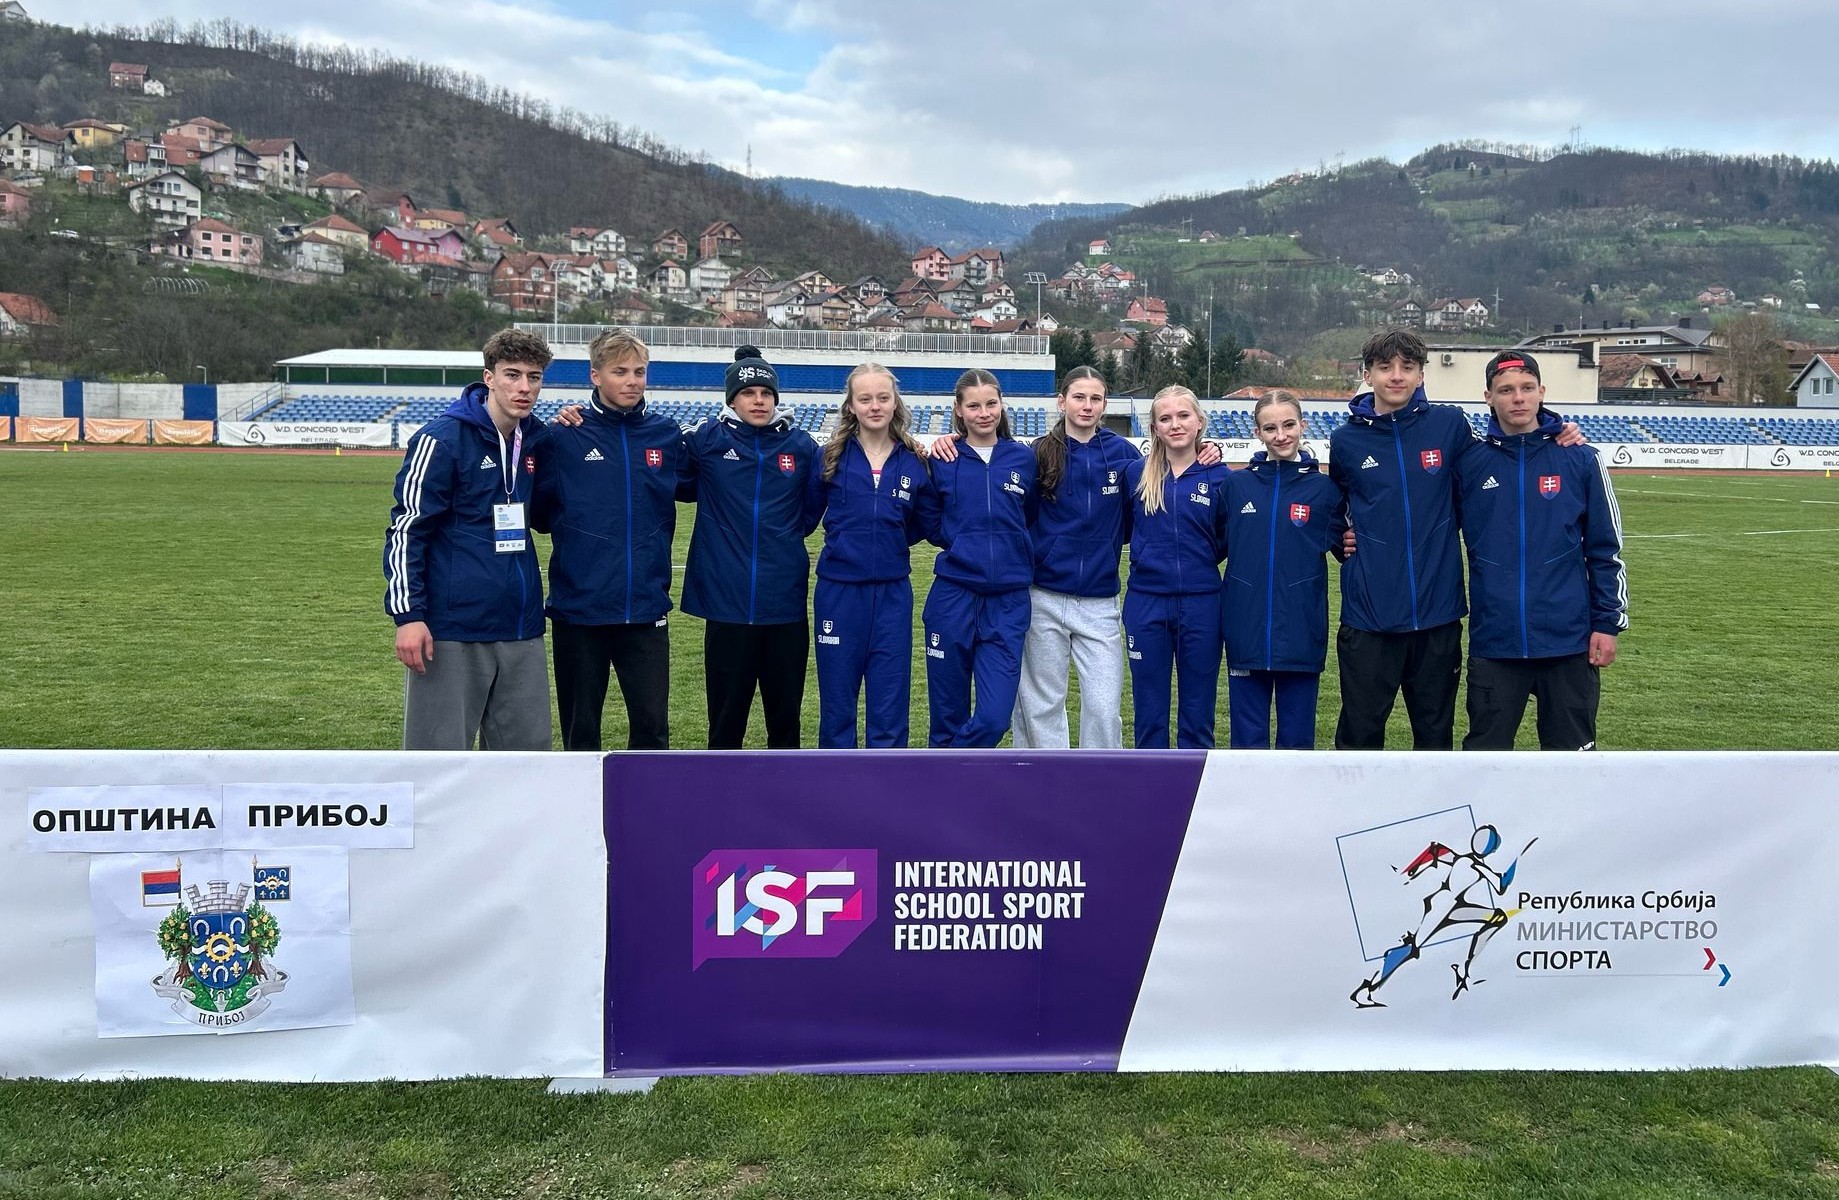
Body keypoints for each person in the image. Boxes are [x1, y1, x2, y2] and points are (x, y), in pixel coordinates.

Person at [383, 327, 553, 751]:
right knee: (438, 761)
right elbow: (407, 530)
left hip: (521, 627)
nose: (524, 387)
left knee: (527, 763)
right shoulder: (442, 440)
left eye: (533, 377)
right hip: (452, 630)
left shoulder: (537, 439)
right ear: (489, 377)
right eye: (512, 375)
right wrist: (408, 616)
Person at [1455, 352, 1627, 750]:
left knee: (1571, 760)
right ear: (1488, 397)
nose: (1518, 398)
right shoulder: (1469, 463)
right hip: (1495, 640)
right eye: (1506, 390)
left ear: (1542, 392)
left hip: (1568, 641)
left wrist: (1607, 623)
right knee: (1485, 759)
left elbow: (1605, 549)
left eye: (1527, 388)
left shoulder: (1580, 458)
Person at [530, 328, 682, 750]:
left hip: (645, 607)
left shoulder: (666, 435)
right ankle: (580, 797)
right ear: (595, 376)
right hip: (580, 610)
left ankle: (646, 797)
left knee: (652, 731)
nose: (632, 381)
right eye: (620, 372)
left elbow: (694, 484)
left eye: (639, 372)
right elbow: (540, 515)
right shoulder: (563, 436)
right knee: (580, 733)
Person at [1327, 329, 1472, 751]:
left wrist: (1557, 432)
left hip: (1437, 614)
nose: (1396, 375)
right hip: (1370, 617)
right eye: (1385, 367)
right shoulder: (1346, 440)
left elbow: (1486, 473)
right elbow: (1333, 504)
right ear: (1367, 374)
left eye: (1407, 367)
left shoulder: (1449, 426)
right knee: (1359, 740)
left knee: (1435, 740)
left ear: (1421, 374)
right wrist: (1339, 539)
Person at [680, 345, 824, 749]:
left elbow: (811, 509)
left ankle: (784, 788)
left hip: (784, 603)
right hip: (727, 603)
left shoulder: (801, 447)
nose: (758, 401)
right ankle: (722, 788)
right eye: (748, 393)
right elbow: (666, 475)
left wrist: (784, 541)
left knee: (785, 720)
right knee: (726, 723)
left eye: (765, 393)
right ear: (732, 399)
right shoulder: (706, 439)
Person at [811, 363, 939, 747]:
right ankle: (836, 783)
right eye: (865, 399)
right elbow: (804, 515)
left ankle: (888, 782)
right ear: (851, 405)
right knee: (838, 705)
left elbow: (925, 524)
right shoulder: (829, 457)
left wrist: (889, 541)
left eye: (883, 397)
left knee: (890, 704)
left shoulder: (914, 461)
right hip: (838, 593)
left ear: (895, 402)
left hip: (892, 596)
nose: (875, 406)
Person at [1221, 390, 1348, 749]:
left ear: (1303, 425)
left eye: (1288, 425)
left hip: (1301, 632)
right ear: (1257, 432)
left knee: (1296, 744)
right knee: (1247, 745)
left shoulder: (1324, 491)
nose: (1281, 435)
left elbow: (1347, 545)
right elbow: (1211, 544)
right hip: (1245, 630)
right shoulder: (1235, 486)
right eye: (1270, 428)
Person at [923, 368, 1036, 747]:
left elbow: (1029, 515)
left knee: (993, 718)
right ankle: (949, 782)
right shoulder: (943, 458)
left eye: (991, 404)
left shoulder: (1023, 458)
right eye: (973, 406)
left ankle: (944, 769)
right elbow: (930, 520)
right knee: (946, 718)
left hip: (1008, 602)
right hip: (953, 597)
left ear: (1002, 405)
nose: (984, 413)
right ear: (958, 410)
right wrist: (962, 544)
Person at [1120, 385, 1229, 748]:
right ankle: (1149, 782)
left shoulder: (1222, 478)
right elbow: (1124, 527)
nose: (1175, 424)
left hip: (1202, 604)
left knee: (1198, 712)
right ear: (1154, 428)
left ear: (1199, 421)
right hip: (1146, 603)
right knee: (1149, 712)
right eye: (1165, 418)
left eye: (1183, 416)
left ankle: (1196, 783)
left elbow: (1226, 539)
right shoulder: (1135, 474)